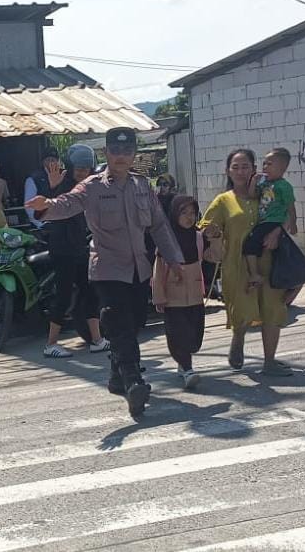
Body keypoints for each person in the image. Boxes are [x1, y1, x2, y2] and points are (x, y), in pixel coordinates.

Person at [26, 128, 184, 418]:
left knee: (134, 323)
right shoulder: (92, 186)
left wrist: (174, 259)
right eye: (115, 151)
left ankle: (115, 378)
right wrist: (46, 205)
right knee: (119, 323)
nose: (121, 157)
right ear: (106, 153)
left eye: (127, 151)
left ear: (134, 154)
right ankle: (133, 381)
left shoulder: (142, 186)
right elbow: (67, 203)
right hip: (108, 269)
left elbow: (159, 225)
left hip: (139, 269)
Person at [199, 149, 292, 377]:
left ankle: (269, 361)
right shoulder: (223, 201)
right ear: (228, 171)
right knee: (242, 310)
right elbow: (205, 227)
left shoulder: (269, 193)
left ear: (254, 169)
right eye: (236, 167)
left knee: (273, 310)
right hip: (237, 266)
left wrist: (277, 232)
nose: (240, 172)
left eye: (245, 167)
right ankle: (238, 338)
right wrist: (213, 237)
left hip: (271, 263)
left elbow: (288, 213)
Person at [41, 144, 109, 358]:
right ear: (70, 167)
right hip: (63, 248)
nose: (82, 172)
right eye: (78, 168)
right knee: (63, 296)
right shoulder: (61, 183)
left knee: (90, 292)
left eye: (86, 169)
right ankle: (51, 344)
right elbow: (46, 209)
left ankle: (97, 340)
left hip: (80, 247)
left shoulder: (88, 186)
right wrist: (53, 188)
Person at [153, 194, 206, 389]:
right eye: (184, 213)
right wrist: (159, 296)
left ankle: (183, 363)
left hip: (195, 295)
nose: (189, 217)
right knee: (179, 334)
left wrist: (216, 238)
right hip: (173, 297)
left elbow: (216, 256)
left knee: (195, 337)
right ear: (174, 214)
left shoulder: (198, 237)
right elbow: (159, 270)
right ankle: (187, 368)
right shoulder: (167, 240)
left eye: (192, 213)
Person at [243, 147, 297, 297]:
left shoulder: (284, 186)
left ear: (282, 168)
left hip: (274, 222)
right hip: (264, 221)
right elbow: (252, 195)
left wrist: (293, 223)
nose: (265, 167)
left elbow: (291, 207)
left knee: (250, 245)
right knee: (276, 256)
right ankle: (290, 282)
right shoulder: (265, 183)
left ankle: (254, 274)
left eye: (269, 164)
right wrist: (253, 182)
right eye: (264, 164)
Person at [23, 148, 66, 228]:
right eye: (48, 160)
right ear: (43, 162)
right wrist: (40, 224)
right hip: (43, 225)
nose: (51, 162)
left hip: (64, 222)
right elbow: (29, 205)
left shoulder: (64, 175)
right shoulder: (33, 179)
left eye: (53, 160)